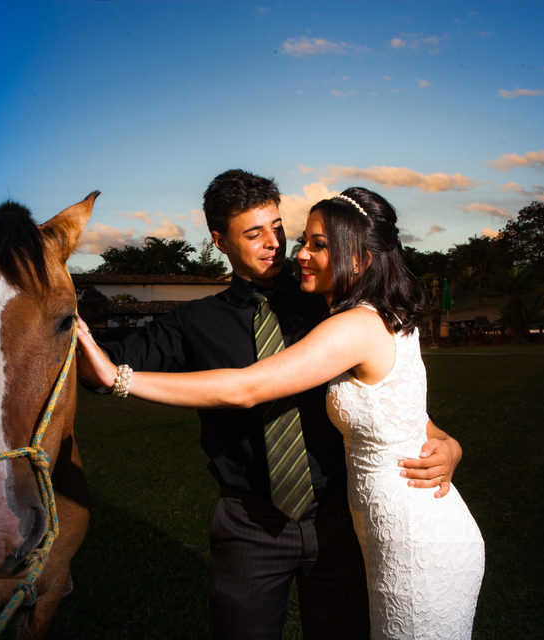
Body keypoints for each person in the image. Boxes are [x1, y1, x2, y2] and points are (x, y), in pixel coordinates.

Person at [77, 171, 465, 639]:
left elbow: (393, 399)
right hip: (250, 525)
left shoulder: (328, 302)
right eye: (254, 232)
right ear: (219, 241)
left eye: (279, 227)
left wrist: (446, 443)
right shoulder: (192, 323)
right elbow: (100, 370)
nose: (274, 244)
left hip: (341, 517)